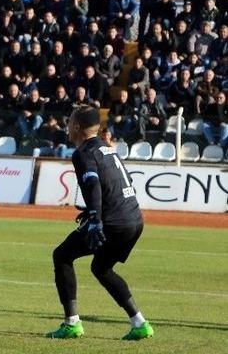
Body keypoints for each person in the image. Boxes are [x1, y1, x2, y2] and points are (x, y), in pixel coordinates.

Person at [46, 106, 153, 341]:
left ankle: (72, 324)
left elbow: (94, 183)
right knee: (101, 268)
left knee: (62, 256)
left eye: (70, 121)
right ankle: (140, 323)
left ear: (76, 127)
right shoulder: (108, 149)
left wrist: (96, 219)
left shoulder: (83, 153)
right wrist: (93, 211)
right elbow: (124, 182)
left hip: (113, 222)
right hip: (134, 219)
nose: (67, 125)